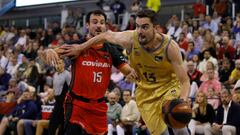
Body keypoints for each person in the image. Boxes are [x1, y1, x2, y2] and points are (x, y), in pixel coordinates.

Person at [59, 9, 190, 135]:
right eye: (137, 26)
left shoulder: (169, 47)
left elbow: (185, 81)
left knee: (178, 124)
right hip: (146, 93)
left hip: (168, 87)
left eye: (144, 27)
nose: (139, 31)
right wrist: (80, 48)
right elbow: (105, 35)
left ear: (156, 28)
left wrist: (183, 100)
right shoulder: (130, 39)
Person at [43, 10, 136, 135]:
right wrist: (49, 51)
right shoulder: (76, 46)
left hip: (98, 107)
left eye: (102, 23)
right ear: (87, 25)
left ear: (105, 26)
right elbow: (51, 53)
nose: (98, 25)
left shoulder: (111, 51)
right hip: (77, 105)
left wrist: (135, 72)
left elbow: (128, 71)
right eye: (95, 22)